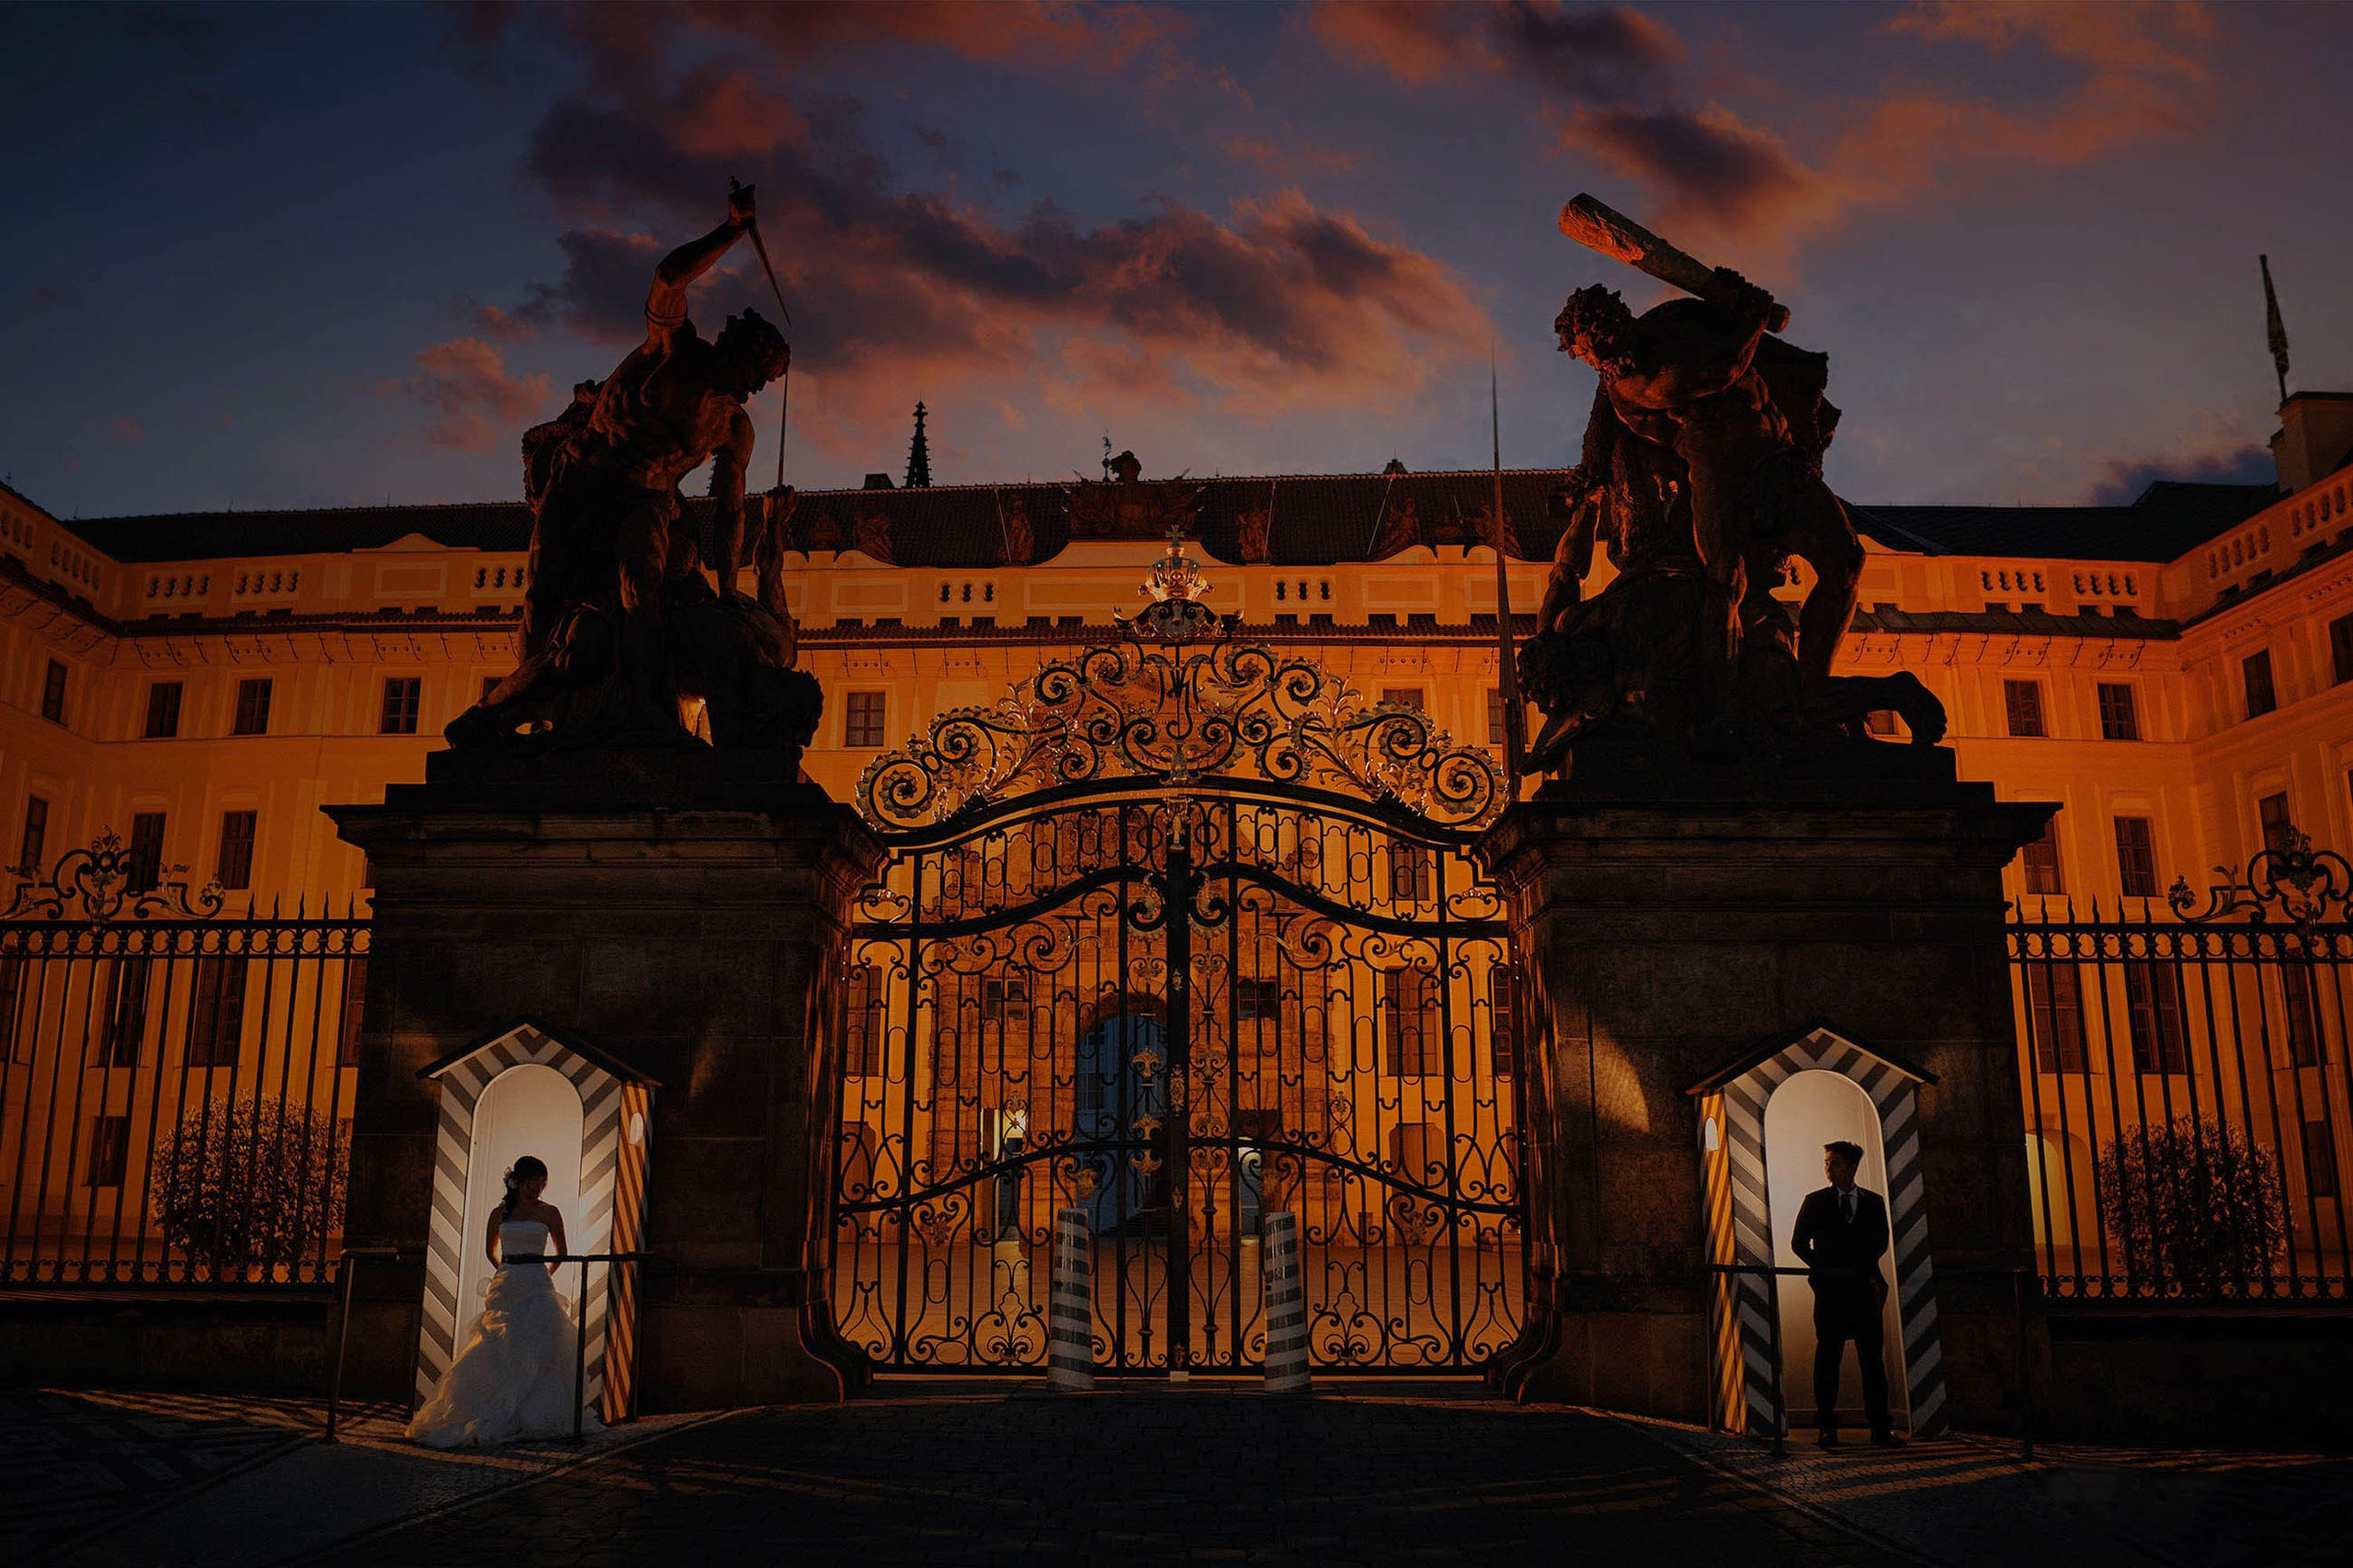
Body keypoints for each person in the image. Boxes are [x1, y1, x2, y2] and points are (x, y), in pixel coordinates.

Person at [406, 1155, 601, 1449]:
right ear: (517, 1182)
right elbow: (491, 1251)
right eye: (532, 1181)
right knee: (498, 1346)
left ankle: (534, 1412)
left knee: (540, 1346)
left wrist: (539, 1273)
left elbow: (561, 1252)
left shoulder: (550, 1212)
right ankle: (492, 1405)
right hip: (507, 1282)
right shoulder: (500, 1214)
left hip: (537, 1281)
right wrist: (507, 1272)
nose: (537, 1187)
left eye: (541, 1182)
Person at [1789, 1139, 1900, 1448]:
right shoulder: (1815, 1201)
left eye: (1835, 1163)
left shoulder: (1873, 1202)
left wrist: (1861, 1269)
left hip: (1865, 1289)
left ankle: (1880, 1427)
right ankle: (1826, 1426)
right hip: (1831, 1292)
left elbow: (1880, 1242)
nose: (1829, 1168)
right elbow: (1798, 1243)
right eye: (1827, 1163)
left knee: (1873, 1361)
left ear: (1851, 1167)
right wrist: (1822, 1268)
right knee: (1828, 1358)